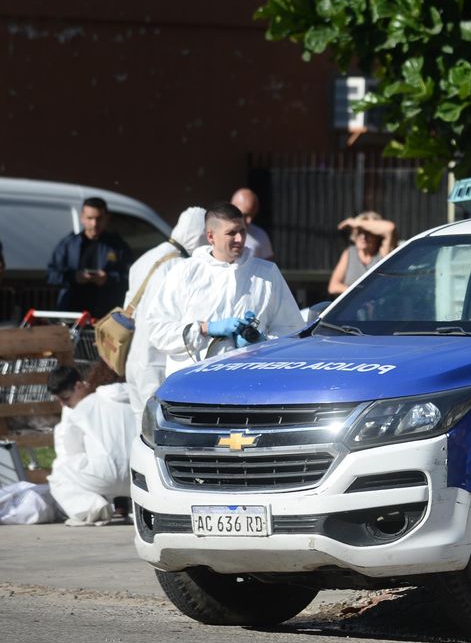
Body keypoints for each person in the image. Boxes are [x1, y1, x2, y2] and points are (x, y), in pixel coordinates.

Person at [144, 203, 304, 376]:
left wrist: (261, 342)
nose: (240, 239)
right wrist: (204, 329)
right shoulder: (185, 272)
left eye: (242, 231)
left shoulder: (266, 273)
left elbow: (291, 329)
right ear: (211, 236)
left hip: (249, 380)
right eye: (231, 233)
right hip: (193, 382)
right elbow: (157, 329)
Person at [123, 207, 208, 409]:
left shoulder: (145, 258)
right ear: (199, 235)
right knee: (157, 428)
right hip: (157, 361)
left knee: (139, 428)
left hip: (134, 360)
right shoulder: (181, 267)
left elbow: (129, 307)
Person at [44, 365, 139, 526]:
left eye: (65, 398)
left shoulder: (80, 409)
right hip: (138, 477)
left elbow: (69, 450)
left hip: (105, 476)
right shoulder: (130, 396)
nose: (63, 405)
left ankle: (94, 509)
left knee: (59, 471)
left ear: (79, 386)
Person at [45, 196, 132, 317]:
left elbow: (130, 277)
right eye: (90, 218)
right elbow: (51, 275)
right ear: (82, 218)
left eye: (99, 218)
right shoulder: (69, 245)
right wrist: (75, 277)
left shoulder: (118, 246)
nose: (94, 223)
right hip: (73, 313)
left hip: (106, 314)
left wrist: (107, 278)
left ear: (107, 218)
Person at [328, 211, 397, 295]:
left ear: (377, 235)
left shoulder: (382, 253)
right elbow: (333, 286)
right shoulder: (349, 253)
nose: (363, 237)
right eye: (360, 232)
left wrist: (355, 223)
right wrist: (358, 291)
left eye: (368, 233)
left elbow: (390, 228)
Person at [231, 187, 275, 261]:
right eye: (245, 215)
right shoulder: (217, 231)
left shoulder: (260, 235)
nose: (249, 221)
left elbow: (268, 267)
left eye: (252, 215)